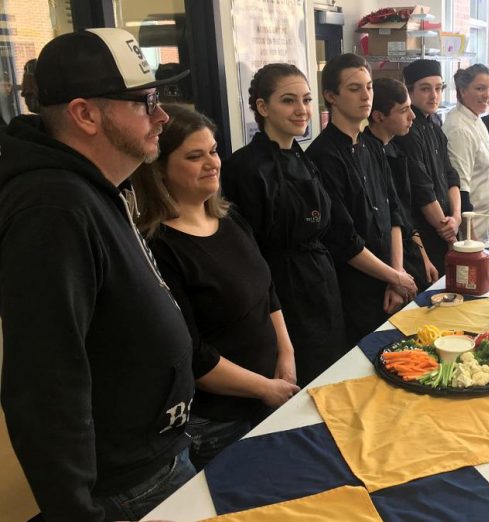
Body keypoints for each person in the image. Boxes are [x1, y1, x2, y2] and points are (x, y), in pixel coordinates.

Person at [0, 28, 195, 521]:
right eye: (143, 101)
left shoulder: (101, 185)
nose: (162, 115)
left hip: (157, 458)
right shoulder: (53, 207)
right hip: (124, 489)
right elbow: (44, 381)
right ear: (85, 114)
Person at [132, 104, 300, 469]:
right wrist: (265, 388)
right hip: (220, 420)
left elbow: (267, 291)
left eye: (213, 151)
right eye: (195, 156)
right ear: (159, 169)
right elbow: (194, 354)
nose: (212, 163)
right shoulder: (159, 246)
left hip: (270, 392)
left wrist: (285, 355)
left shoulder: (230, 217)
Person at [221, 63, 346, 387]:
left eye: (306, 100)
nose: (302, 110)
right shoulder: (244, 168)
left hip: (321, 284)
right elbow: (245, 252)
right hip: (280, 289)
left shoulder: (304, 157)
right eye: (289, 101)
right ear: (262, 107)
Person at [306, 53, 417, 346]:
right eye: (355, 89)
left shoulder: (371, 146)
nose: (366, 95)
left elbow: (394, 212)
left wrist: (397, 273)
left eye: (368, 87)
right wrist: (393, 277)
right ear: (331, 96)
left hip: (389, 279)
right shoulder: (321, 157)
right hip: (353, 289)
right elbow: (344, 239)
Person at [365, 77, 439, 291]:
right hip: (387, 261)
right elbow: (387, 220)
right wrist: (396, 275)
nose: (413, 116)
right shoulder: (370, 153)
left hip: (407, 251)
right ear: (378, 116)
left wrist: (424, 256)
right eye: (404, 110)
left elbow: (404, 214)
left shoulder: (394, 149)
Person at [392, 59, 461, 274]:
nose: (434, 95)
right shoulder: (407, 130)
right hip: (424, 231)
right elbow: (422, 189)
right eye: (425, 89)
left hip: (446, 224)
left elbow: (450, 174)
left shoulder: (435, 125)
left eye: (438, 88)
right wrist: (448, 230)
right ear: (409, 91)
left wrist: (456, 217)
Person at [442, 63, 489, 240]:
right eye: (480, 88)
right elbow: (461, 186)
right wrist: (469, 238)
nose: (487, 95)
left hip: (484, 224)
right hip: (470, 231)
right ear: (462, 90)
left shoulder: (475, 119)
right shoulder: (459, 128)